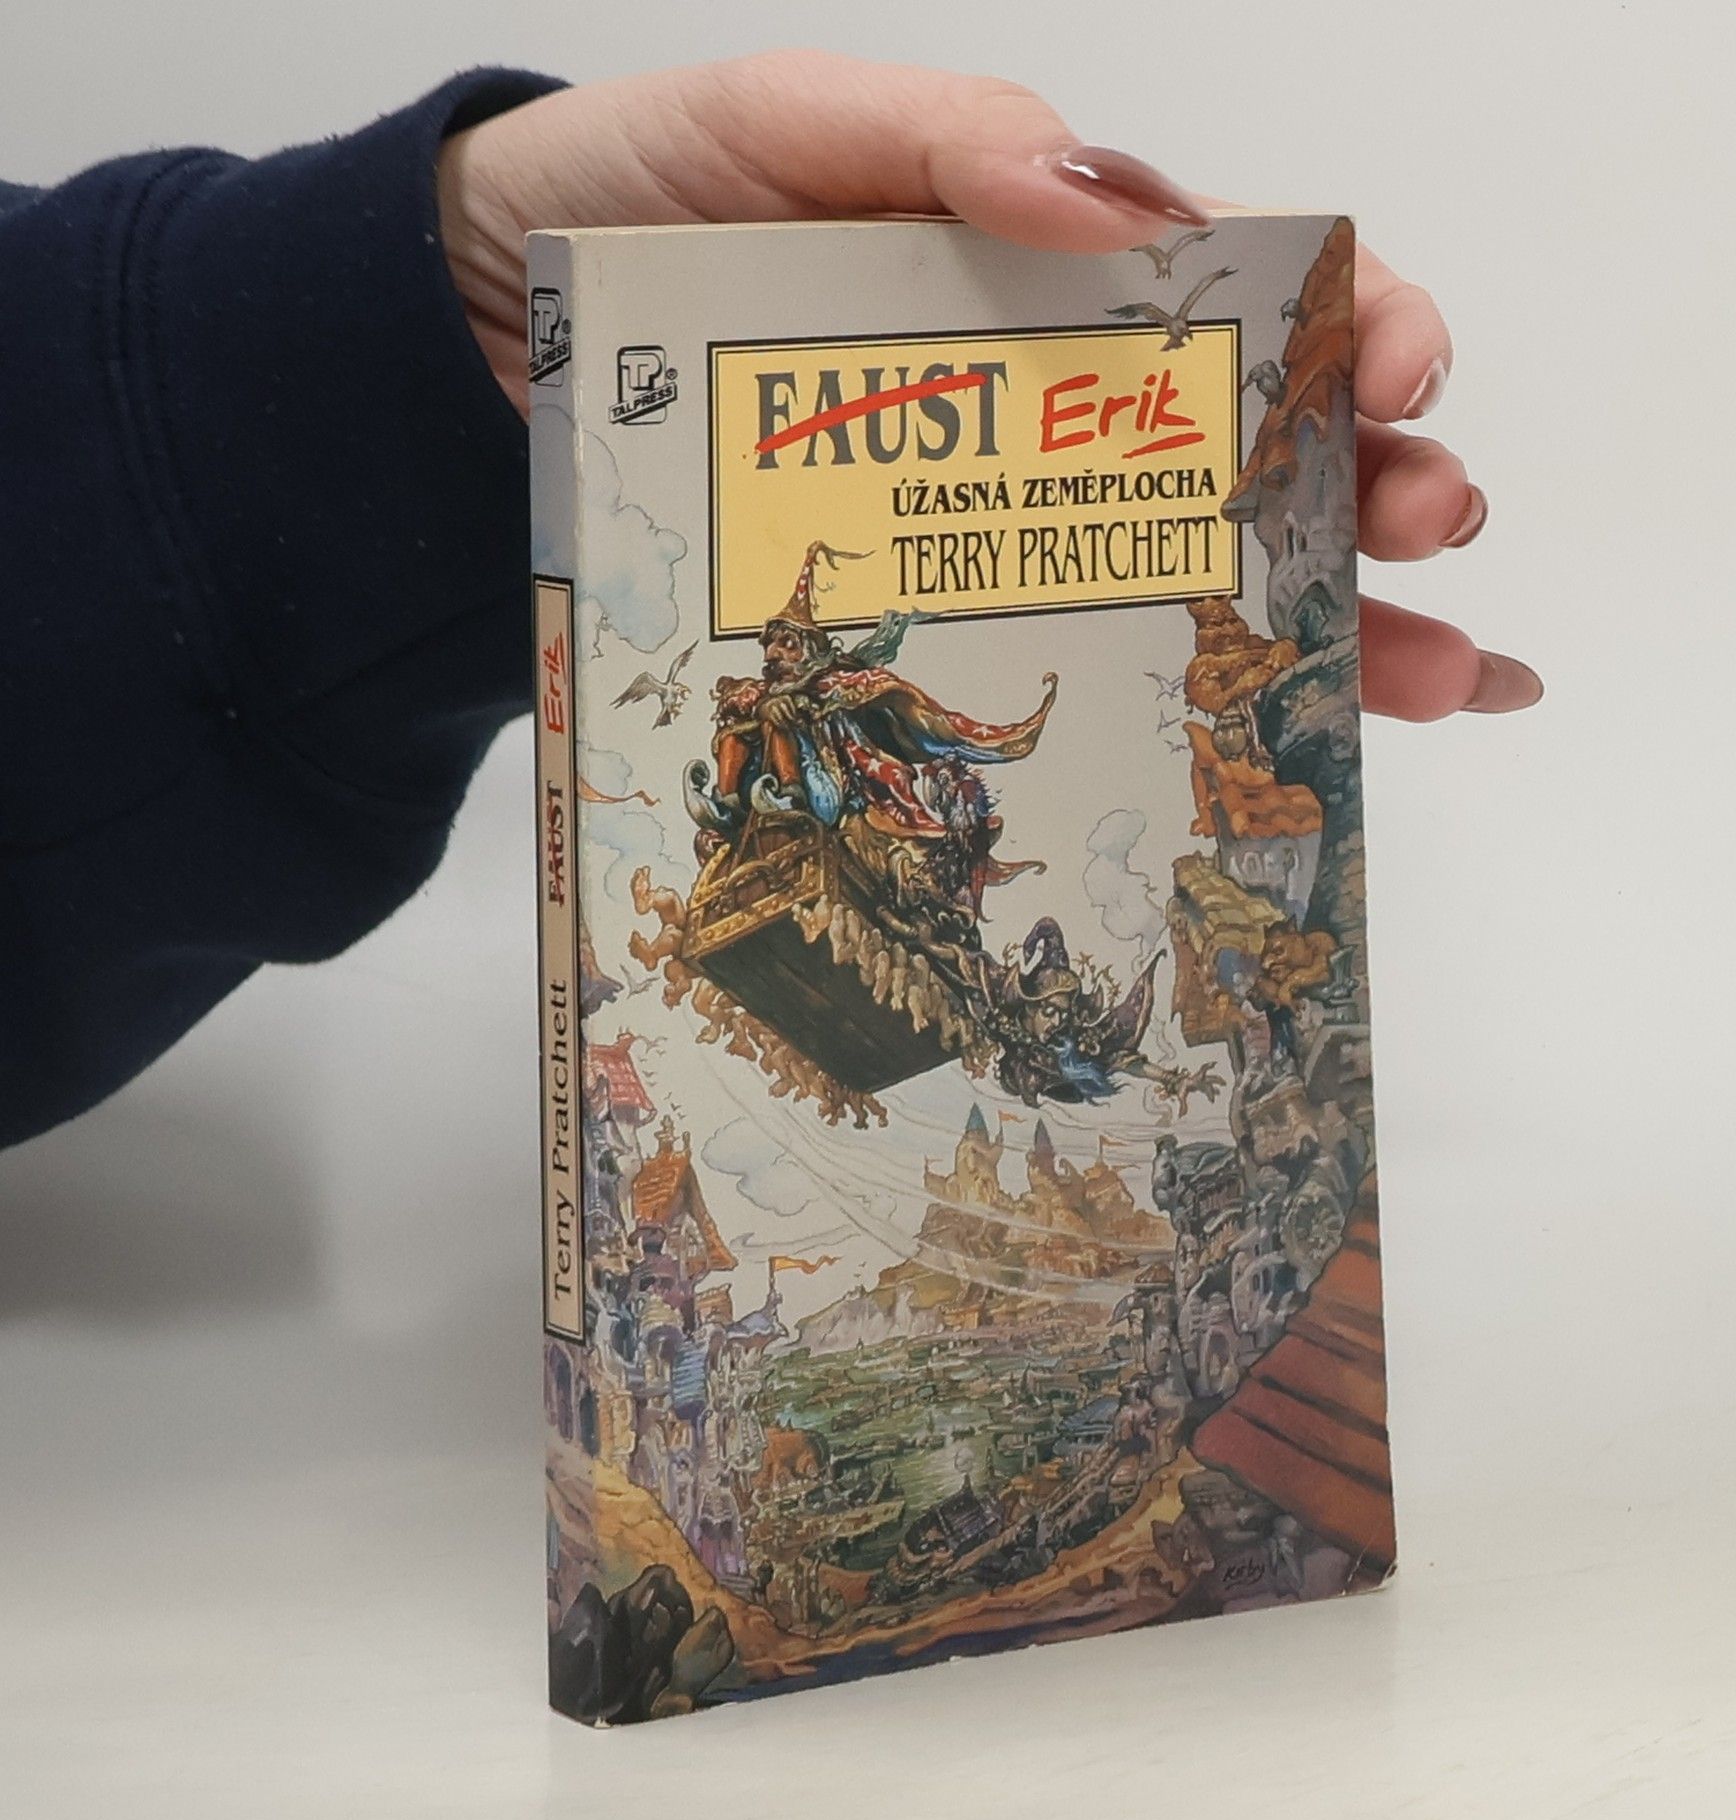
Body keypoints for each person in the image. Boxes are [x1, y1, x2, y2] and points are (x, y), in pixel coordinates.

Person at [0, 51, 1539, 1150]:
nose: (794, 647)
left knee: (943, 817)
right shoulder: (806, 698)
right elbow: (920, 726)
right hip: (796, 817)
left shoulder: (849, 699)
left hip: (853, 821)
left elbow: (953, 739)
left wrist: (410, 355)